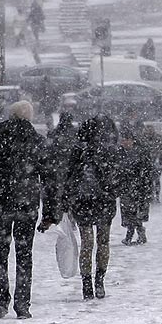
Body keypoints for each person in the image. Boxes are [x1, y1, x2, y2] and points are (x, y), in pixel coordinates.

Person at [0, 100, 60, 319]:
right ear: (30, 117)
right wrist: (50, 213)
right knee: (24, 254)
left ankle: (1, 301)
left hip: (0, 203)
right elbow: (49, 178)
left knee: (0, 253)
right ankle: (22, 304)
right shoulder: (36, 140)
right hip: (27, 204)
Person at [61, 116, 119, 300]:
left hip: (83, 202)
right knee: (103, 242)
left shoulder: (78, 152)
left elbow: (69, 177)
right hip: (103, 202)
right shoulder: (107, 150)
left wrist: (66, 201)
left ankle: (87, 282)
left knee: (87, 243)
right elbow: (115, 176)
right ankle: (99, 281)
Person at [116, 127, 155, 245]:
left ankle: (133, 234)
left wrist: (147, 187)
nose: (125, 142)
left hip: (139, 188)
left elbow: (148, 171)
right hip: (126, 188)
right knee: (128, 212)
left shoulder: (141, 153)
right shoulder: (119, 154)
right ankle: (136, 232)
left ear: (132, 140)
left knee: (136, 212)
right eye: (123, 140)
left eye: (127, 140)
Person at [139, 123, 162, 202]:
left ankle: (157, 196)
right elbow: (139, 150)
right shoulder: (141, 138)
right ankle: (150, 195)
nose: (149, 131)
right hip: (146, 162)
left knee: (156, 179)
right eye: (148, 130)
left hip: (157, 161)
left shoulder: (158, 137)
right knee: (148, 179)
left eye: (151, 130)